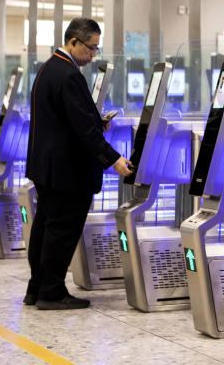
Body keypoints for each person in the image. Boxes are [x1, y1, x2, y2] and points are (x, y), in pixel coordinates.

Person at [24, 18, 133, 310]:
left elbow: (68, 120)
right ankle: (52, 292)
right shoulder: (70, 75)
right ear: (73, 42)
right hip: (66, 172)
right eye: (91, 48)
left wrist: (97, 123)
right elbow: (82, 131)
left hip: (46, 167)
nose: (93, 54)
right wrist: (114, 159)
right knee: (62, 231)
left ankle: (36, 287)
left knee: (45, 228)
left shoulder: (49, 68)